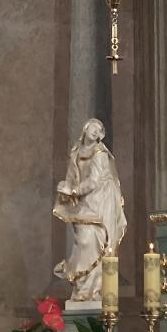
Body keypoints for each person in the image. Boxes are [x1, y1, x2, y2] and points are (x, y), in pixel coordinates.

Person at [53, 119, 127, 305]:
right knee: (81, 241)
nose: (96, 132)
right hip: (83, 203)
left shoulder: (100, 153)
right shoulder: (76, 152)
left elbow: (94, 181)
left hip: (100, 202)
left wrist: (74, 190)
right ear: (85, 129)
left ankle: (92, 291)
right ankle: (82, 289)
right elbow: (72, 175)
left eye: (100, 131)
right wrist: (66, 188)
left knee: (91, 240)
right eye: (93, 128)